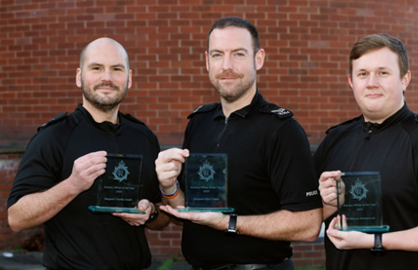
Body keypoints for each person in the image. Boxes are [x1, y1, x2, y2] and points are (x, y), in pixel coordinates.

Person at [156, 17, 323, 269]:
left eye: (238, 54)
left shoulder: (281, 130)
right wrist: (168, 186)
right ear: (207, 62)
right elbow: (190, 216)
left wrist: (227, 223)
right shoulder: (199, 123)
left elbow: (309, 224)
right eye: (217, 55)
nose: (226, 66)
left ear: (259, 59)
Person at [7, 37, 170, 270]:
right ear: (78, 76)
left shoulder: (144, 137)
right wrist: (72, 185)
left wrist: (151, 212)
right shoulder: (53, 137)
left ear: (129, 78)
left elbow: (163, 218)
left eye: (116, 69)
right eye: (96, 68)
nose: (107, 77)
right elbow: (16, 218)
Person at [314, 33, 418, 269]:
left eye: (383, 73)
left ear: (405, 79)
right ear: (351, 82)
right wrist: (328, 203)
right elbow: (302, 221)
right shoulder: (335, 140)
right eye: (363, 74)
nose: (371, 83)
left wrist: (374, 241)